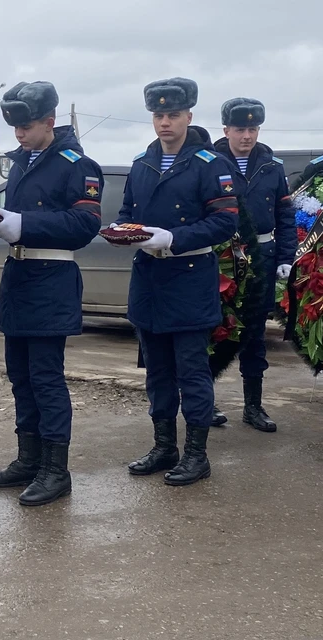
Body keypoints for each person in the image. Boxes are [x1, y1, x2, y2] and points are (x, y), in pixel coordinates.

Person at [0, 81, 103, 506]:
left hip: (52, 278)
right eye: (15, 128)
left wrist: (21, 224)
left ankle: (54, 469)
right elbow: (16, 220)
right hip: (19, 275)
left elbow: (84, 226)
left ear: (50, 122)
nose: (19, 134)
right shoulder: (22, 163)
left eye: (26, 126)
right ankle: (28, 459)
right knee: (21, 377)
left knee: (46, 379)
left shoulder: (76, 165)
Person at [117, 77, 238, 486]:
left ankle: (196, 454)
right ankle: (164, 446)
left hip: (188, 278)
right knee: (157, 373)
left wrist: (174, 238)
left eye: (173, 115)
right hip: (149, 279)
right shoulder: (142, 163)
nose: (165, 122)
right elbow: (128, 208)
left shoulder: (210, 163)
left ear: (189, 116)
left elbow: (225, 221)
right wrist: (124, 230)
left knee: (192, 372)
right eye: (158, 115)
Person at [211, 98, 296, 432]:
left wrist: (286, 258)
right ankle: (207, 402)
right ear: (226, 130)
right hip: (222, 257)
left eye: (253, 129)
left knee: (254, 334)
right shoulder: (211, 162)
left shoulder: (272, 166)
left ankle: (253, 406)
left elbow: (285, 216)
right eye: (240, 129)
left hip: (262, 257)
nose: (247, 135)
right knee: (216, 330)